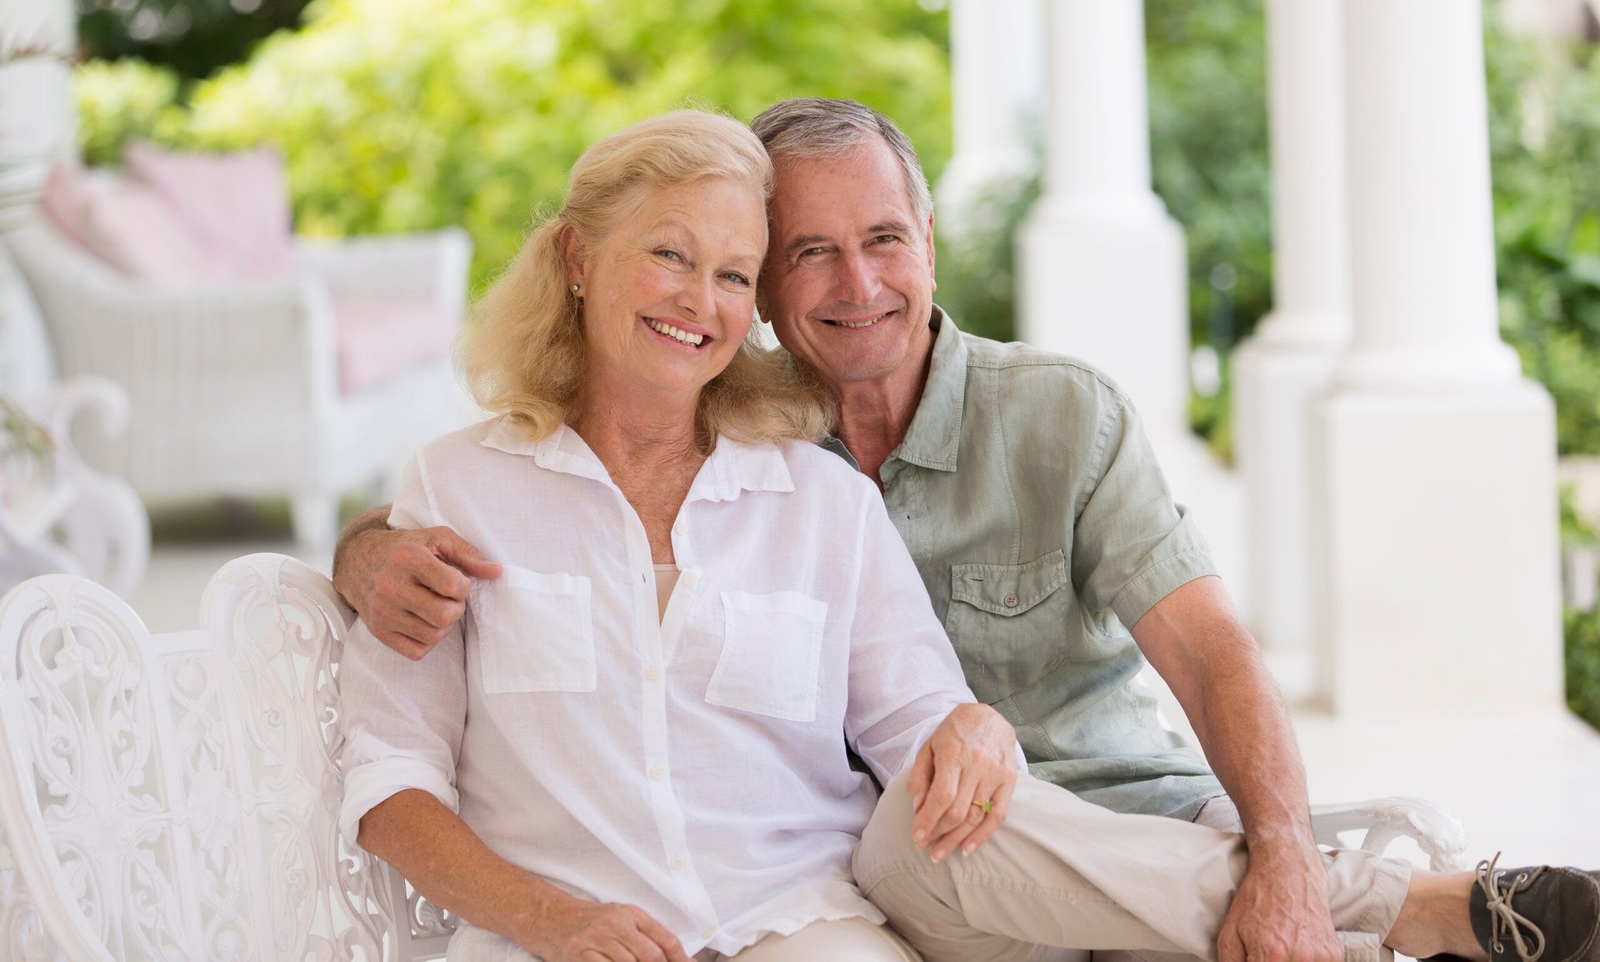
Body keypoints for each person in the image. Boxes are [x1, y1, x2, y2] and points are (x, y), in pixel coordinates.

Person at [335, 100, 1600, 962]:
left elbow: (972, 710)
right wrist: (361, 552)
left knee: (956, 820)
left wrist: (1273, 853)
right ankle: (1427, 905)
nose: (851, 284)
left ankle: (1399, 901)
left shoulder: (935, 452)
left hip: (985, 861)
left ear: (929, 239)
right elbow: (392, 764)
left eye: (882, 239)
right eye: (794, 256)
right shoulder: (484, 489)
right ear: (576, 259)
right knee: (939, 832)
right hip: (841, 894)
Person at [338, 109, 1022, 962]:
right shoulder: (460, 488)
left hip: (798, 925)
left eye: (735, 276)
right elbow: (387, 779)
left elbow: (922, 721)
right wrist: (544, 916)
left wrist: (974, 727)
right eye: (670, 255)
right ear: (577, 259)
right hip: (554, 941)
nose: (700, 301)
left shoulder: (822, 501)